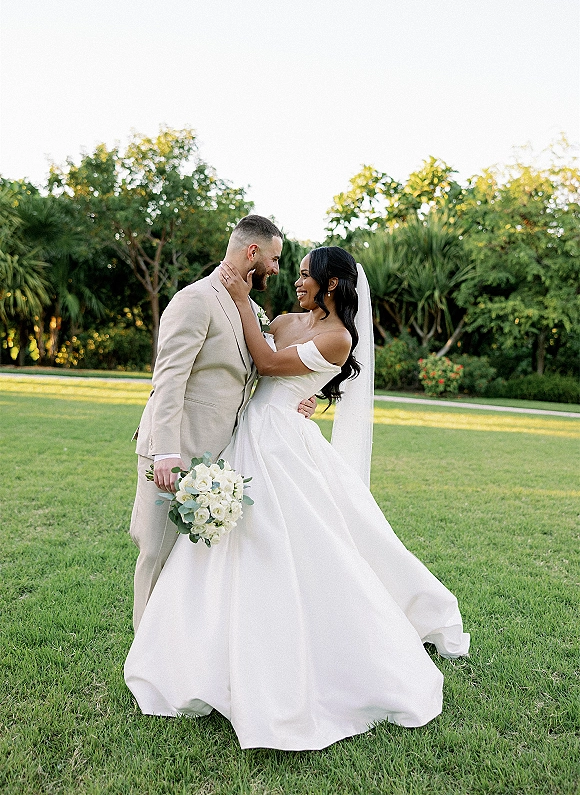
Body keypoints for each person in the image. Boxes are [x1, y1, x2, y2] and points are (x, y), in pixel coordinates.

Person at [125, 246, 470, 751]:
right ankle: (197, 655)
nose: (297, 282)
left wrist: (242, 302)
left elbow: (268, 362)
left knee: (291, 547)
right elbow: (251, 365)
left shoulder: (338, 337)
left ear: (332, 285)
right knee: (224, 550)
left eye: (307, 276)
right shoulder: (286, 319)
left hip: (282, 446)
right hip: (245, 437)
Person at [129, 214, 316, 632]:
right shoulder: (195, 299)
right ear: (253, 252)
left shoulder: (248, 306)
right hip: (174, 453)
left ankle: (178, 649)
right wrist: (165, 451)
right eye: (274, 258)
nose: (277, 268)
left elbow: (259, 371)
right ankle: (145, 656)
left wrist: (298, 399)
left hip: (219, 456)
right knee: (157, 553)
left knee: (190, 563)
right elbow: (170, 378)